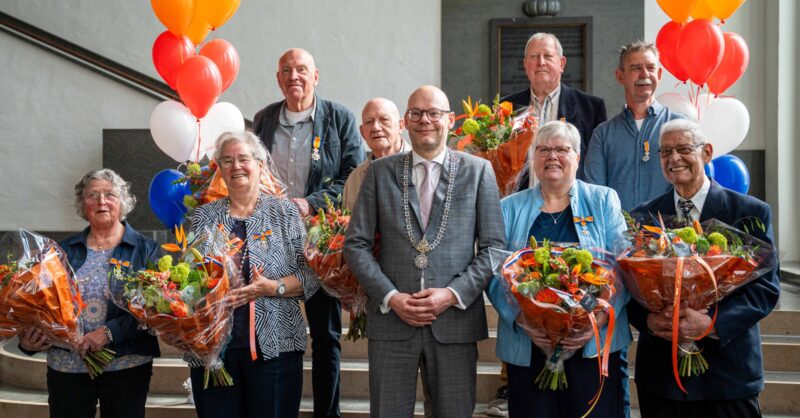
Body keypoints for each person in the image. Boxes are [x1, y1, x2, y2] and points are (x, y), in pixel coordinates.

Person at [344, 85, 505, 417]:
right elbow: (356, 245)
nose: (424, 120)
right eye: (416, 113)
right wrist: (390, 297)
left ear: (450, 120)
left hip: (454, 322)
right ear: (405, 121)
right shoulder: (379, 172)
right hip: (392, 323)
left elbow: (494, 248)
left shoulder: (478, 172)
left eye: (433, 113)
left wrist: (452, 294)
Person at [629, 119, 780, 418]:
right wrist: (647, 320)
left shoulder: (750, 212)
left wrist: (712, 323)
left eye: (684, 149)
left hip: (728, 374)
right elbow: (629, 288)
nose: (673, 158)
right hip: (662, 376)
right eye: (665, 152)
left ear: (707, 152)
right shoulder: (642, 217)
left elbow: (765, 289)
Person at [486, 121, 631, 417]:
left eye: (562, 149)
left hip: (592, 344)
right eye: (543, 149)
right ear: (533, 159)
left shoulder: (603, 200)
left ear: (578, 157)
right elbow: (492, 272)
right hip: (529, 344)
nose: (552, 156)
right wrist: (524, 320)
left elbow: (622, 267)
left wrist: (597, 319)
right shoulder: (508, 207)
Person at [252, 48, 365, 418]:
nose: (294, 76)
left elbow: (353, 174)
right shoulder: (264, 119)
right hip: (271, 240)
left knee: (325, 335)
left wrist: (311, 203)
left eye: (302, 69)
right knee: (272, 331)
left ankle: (325, 413)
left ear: (316, 76)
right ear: (278, 78)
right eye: (286, 70)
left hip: (321, 240)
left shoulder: (340, 118)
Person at [188, 131, 320, 418]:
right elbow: (188, 281)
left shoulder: (285, 213)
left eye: (243, 158)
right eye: (227, 160)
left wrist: (271, 287)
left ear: (260, 165)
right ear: (220, 170)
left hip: (276, 348)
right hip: (215, 351)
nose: (236, 166)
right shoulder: (204, 217)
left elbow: (311, 276)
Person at [19, 168, 161, 418]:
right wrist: (28, 341)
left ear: (123, 202)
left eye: (109, 194)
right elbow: (38, 304)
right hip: (68, 365)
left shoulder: (146, 250)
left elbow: (155, 308)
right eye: (92, 195)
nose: (101, 201)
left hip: (125, 365)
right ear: (83, 205)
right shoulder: (60, 251)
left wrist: (109, 333)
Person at [584, 41, 686, 211]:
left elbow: (689, 187)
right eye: (636, 68)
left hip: (667, 234)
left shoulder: (679, 127)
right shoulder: (603, 134)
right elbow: (594, 194)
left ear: (659, 74)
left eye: (651, 68)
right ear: (620, 76)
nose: (644, 74)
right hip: (617, 234)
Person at [503, 32, 607, 187]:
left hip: (572, 206)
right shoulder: (506, 107)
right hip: (519, 204)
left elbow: (597, 166)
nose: (541, 62)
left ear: (562, 64)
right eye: (534, 56)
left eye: (548, 56)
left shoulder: (591, 108)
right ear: (525, 65)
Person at [341, 97, 410, 211]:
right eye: (369, 122)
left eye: (384, 119)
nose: (376, 127)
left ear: (401, 125)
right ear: (362, 132)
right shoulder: (355, 179)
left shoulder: (421, 165)